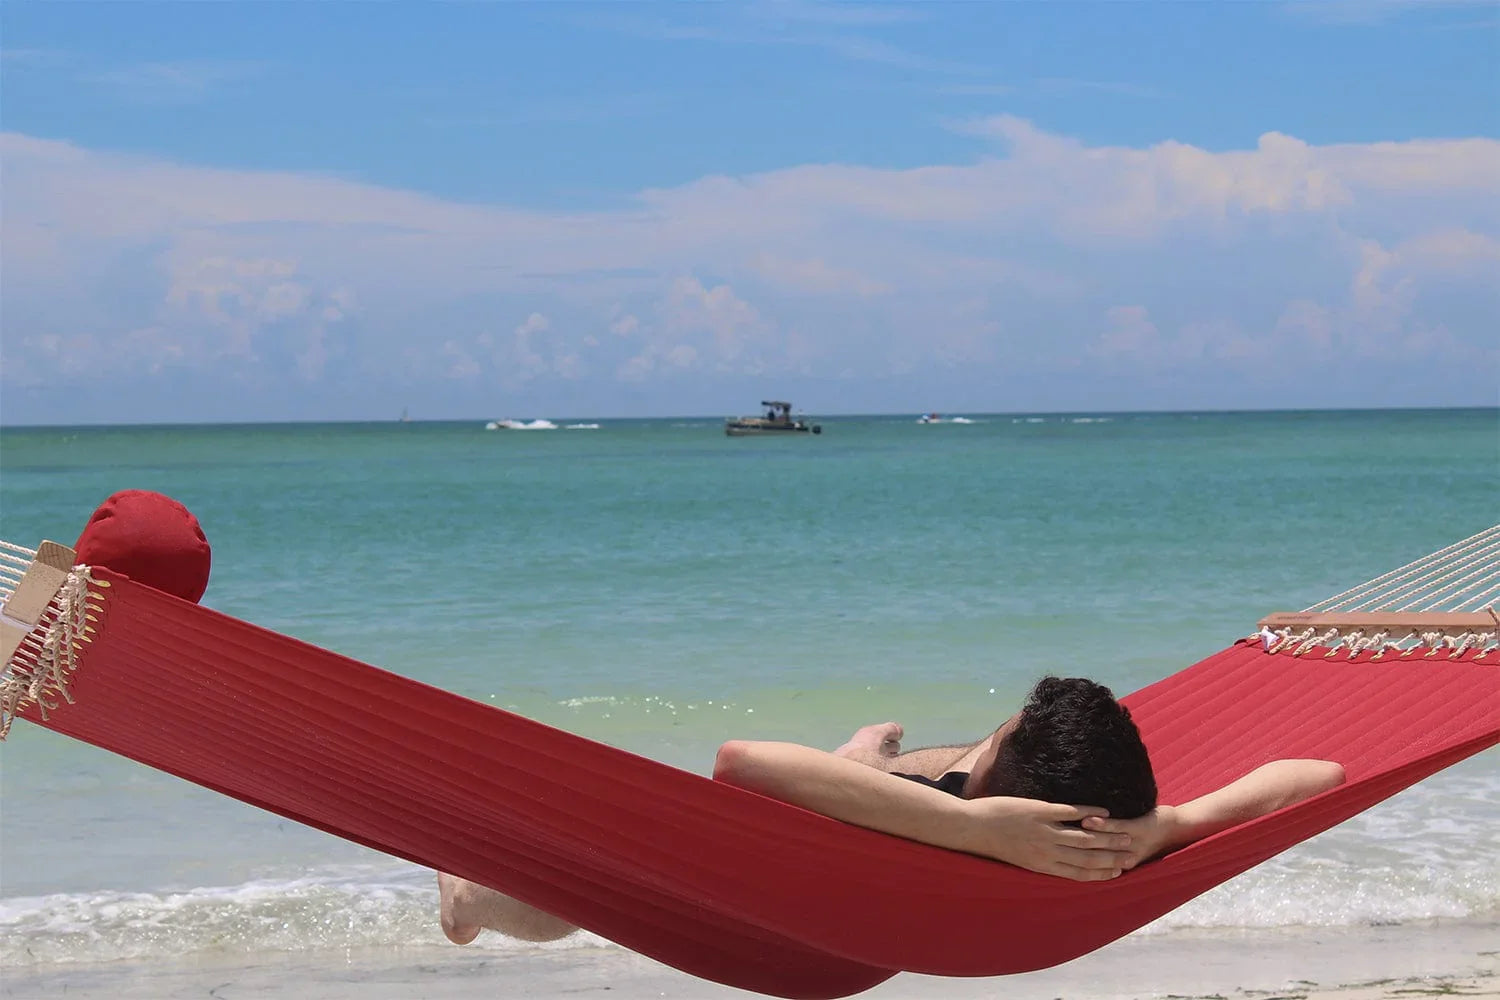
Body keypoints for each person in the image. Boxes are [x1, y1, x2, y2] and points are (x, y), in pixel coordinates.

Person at [438, 676, 1344, 945]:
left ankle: (467, 902)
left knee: (596, 885)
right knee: (911, 765)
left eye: (1001, 737)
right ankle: (872, 759)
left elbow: (740, 763)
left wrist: (966, 825)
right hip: (884, 872)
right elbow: (1321, 773)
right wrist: (1177, 823)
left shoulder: (965, 820)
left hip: (786, 905)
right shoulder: (1100, 840)